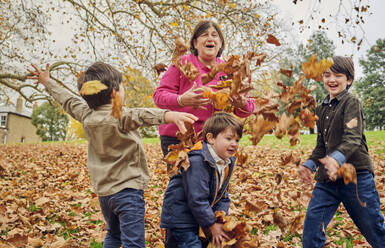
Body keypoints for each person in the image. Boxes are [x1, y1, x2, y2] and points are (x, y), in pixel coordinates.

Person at [27, 62, 198, 248]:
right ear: (115, 94)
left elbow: (67, 99)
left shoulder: (86, 115)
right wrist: (170, 115)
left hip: (105, 194)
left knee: (113, 235)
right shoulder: (119, 116)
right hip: (128, 192)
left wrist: (47, 82)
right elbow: (142, 115)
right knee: (134, 242)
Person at [296, 56, 385, 248]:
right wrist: (309, 165)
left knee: (374, 229)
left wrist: (335, 159)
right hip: (327, 182)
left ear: (349, 79)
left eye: (338, 75)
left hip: (355, 178)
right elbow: (321, 146)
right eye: (327, 75)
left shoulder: (351, 103)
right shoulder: (322, 108)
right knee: (311, 231)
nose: (332, 79)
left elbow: (352, 138)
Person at [153, 20, 255, 156]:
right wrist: (181, 100)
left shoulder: (230, 69)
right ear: (195, 43)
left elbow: (247, 108)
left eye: (214, 35)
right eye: (204, 35)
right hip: (179, 135)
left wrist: (242, 103)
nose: (210, 38)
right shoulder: (182, 64)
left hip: (214, 138)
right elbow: (159, 96)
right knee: (186, 177)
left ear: (220, 44)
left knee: (215, 177)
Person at [160, 112, 242, 248]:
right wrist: (211, 225)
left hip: (199, 217)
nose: (234, 144)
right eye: (228, 138)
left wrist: (220, 220)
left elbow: (223, 195)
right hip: (181, 219)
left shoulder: (227, 162)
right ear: (211, 138)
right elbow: (197, 198)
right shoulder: (198, 161)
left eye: (237, 140)